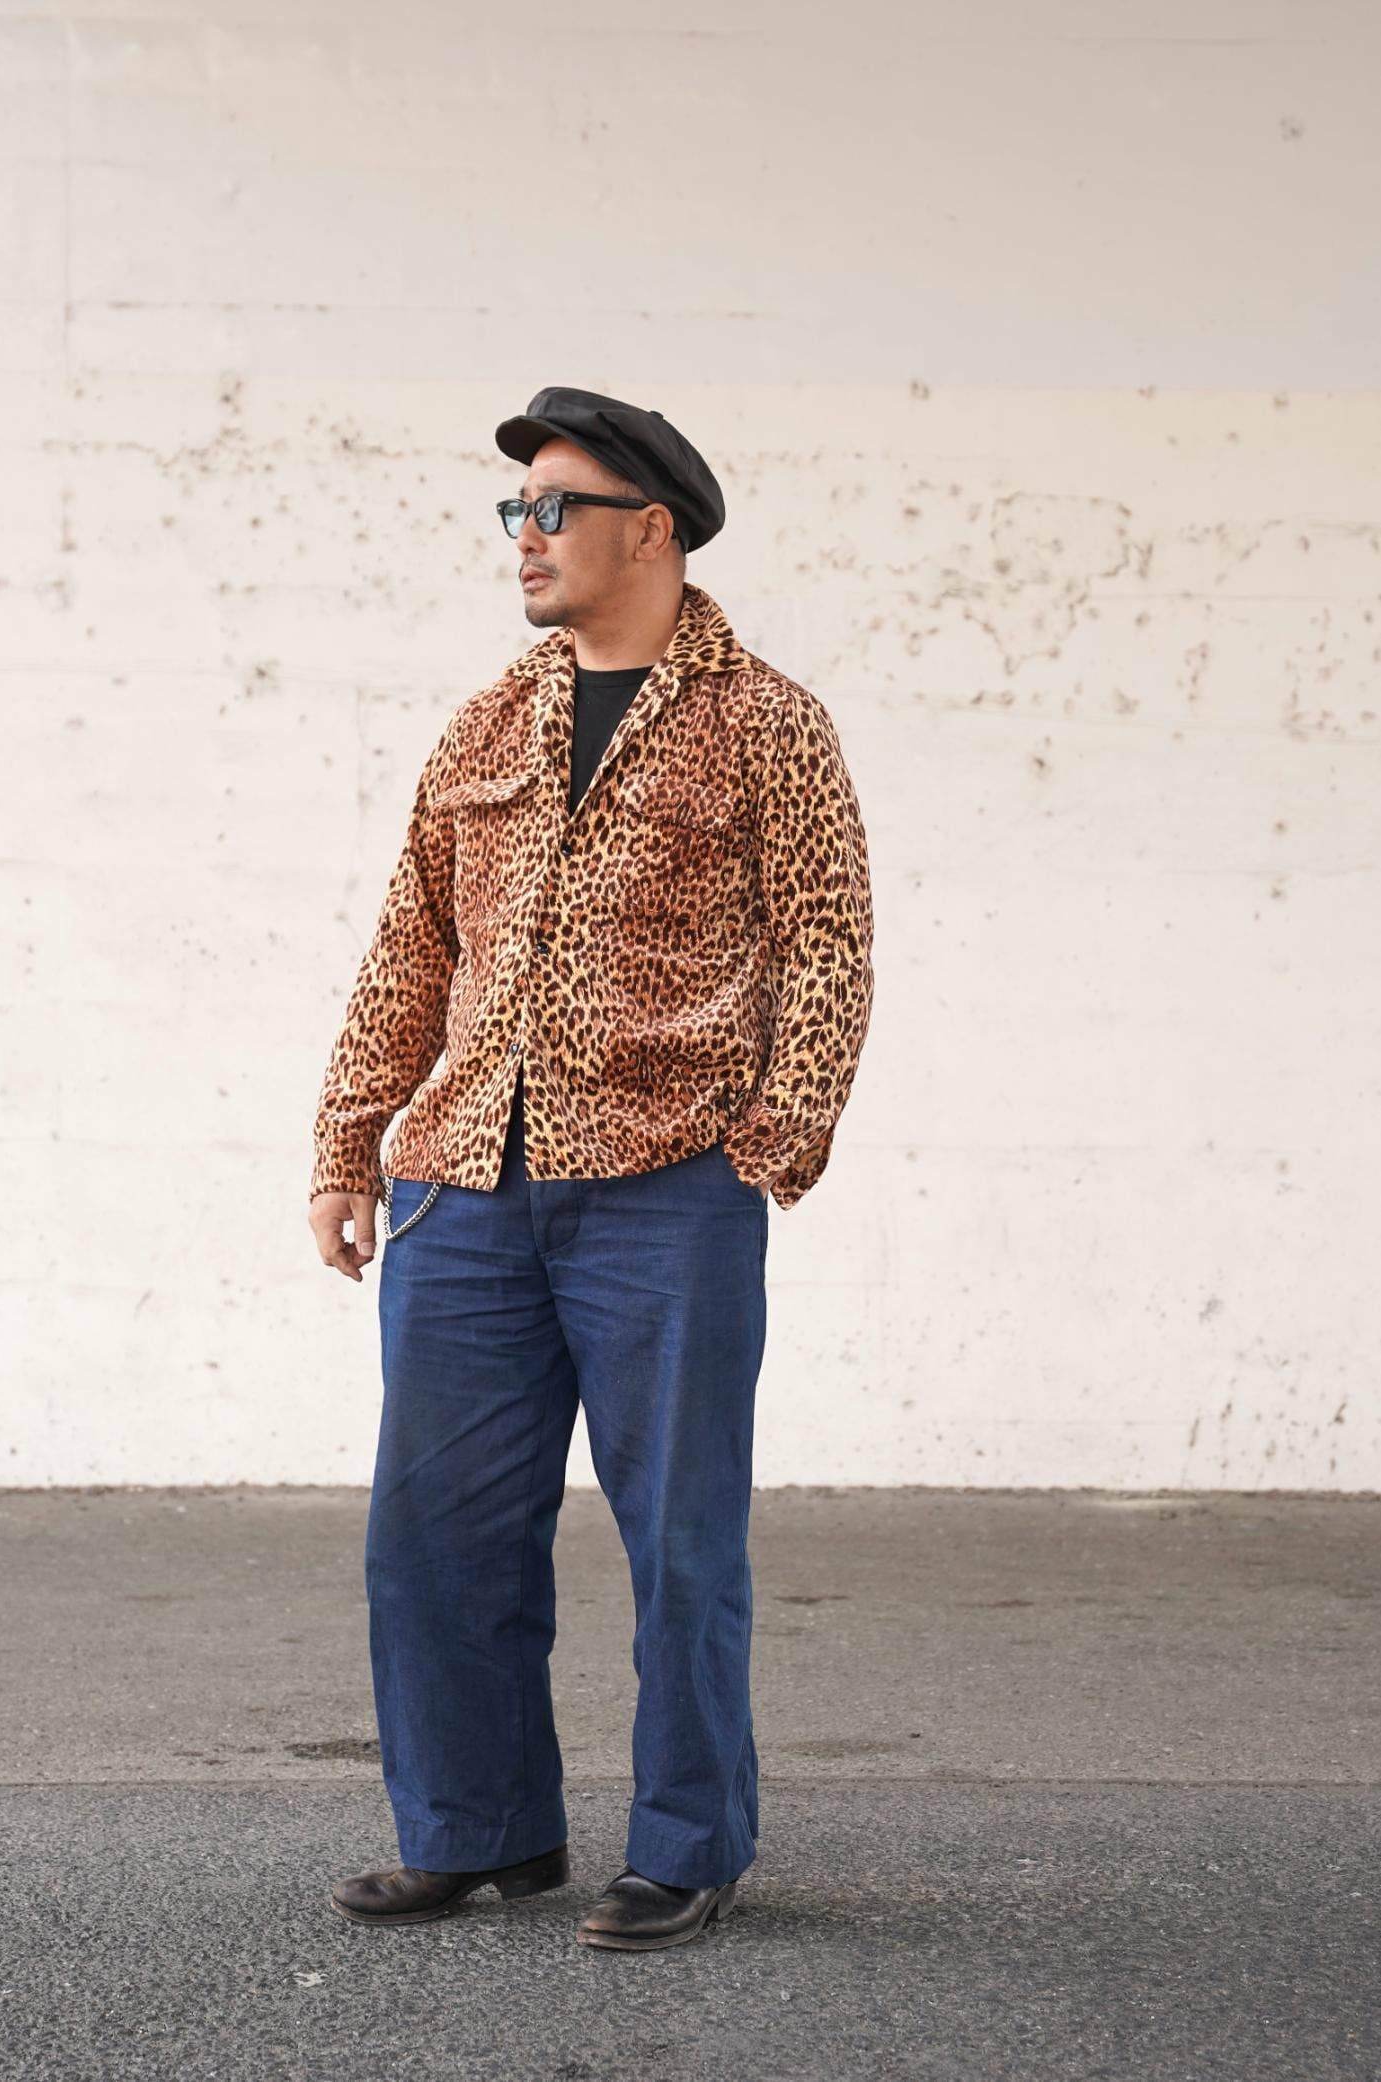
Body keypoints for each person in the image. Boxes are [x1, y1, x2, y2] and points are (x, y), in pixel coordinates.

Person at [309, 386, 876, 1952]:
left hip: (663, 1188)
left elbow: (827, 942)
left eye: (555, 508)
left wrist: (768, 1143)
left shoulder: (767, 722)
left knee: (679, 1542)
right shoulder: (485, 724)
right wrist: (348, 1142)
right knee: (435, 1535)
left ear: (652, 529)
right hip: (462, 1186)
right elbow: (411, 946)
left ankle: (688, 1844)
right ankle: (474, 1828)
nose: (525, 536)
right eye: (517, 510)